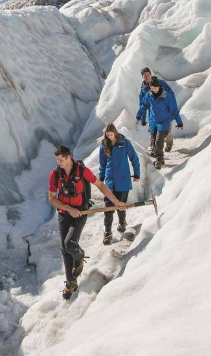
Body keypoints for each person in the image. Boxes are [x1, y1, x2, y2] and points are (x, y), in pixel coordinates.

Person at [48, 144, 127, 299]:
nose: (59, 163)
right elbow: (51, 198)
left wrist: (116, 201)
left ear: (69, 157)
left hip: (80, 213)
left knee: (70, 244)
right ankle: (71, 282)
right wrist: (68, 208)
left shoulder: (82, 171)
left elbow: (100, 185)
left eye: (61, 160)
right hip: (65, 213)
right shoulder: (55, 174)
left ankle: (79, 257)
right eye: (57, 160)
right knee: (65, 249)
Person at [97, 123, 140, 245]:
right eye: (107, 135)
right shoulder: (104, 145)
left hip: (123, 180)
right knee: (108, 208)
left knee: (121, 205)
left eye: (111, 134)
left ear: (115, 133)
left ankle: (122, 222)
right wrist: (101, 178)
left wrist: (136, 174)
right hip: (110, 181)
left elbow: (134, 158)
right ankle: (107, 232)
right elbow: (102, 163)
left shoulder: (124, 143)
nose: (109, 137)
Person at [137, 77, 183, 169]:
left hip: (164, 122)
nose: (153, 90)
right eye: (152, 88)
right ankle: (160, 157)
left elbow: (174, 110)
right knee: (154, 141)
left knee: (159, 140)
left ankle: (158, 159)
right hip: (153, 121)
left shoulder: (166, 96)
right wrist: (139, 115)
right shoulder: (149, 95)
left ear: (159, 87)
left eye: (155, 88)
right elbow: (144, 105)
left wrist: (179, 122)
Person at [136, 67, 176, 157]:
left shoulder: (160, 83)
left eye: (148, 74)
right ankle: (156, 151)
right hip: (153, 115)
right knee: (153, 133)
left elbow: (171, 94)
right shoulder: (143, 90)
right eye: (144, 75)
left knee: (166, 132)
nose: (146, 77)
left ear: (151, 74)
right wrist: (143, 118)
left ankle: (169, 142)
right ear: (142, 77)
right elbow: (143, 105)